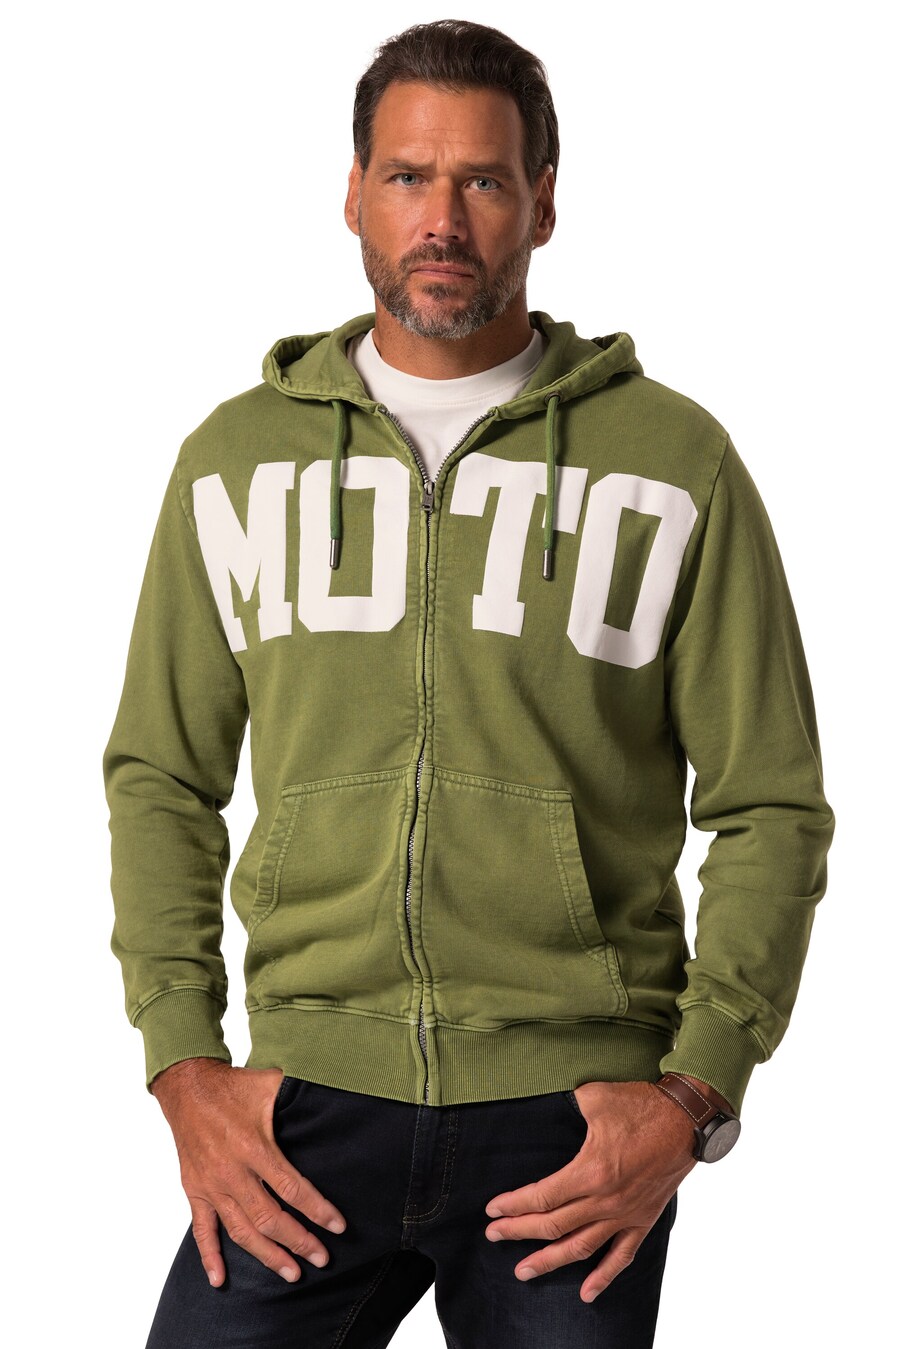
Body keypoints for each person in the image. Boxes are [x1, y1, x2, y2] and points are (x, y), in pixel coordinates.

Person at [102, 18, 836, 1348]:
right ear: (353, 194)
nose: (441, 218)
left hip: (573, 1125)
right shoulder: (237, 462)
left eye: (482, 180)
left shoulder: (673, 463)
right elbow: (161, 776)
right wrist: (182, 1064)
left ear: (542, 203)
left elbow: (771, 804)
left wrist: (694, 1095)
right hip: (305, 1103)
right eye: (407, 176)